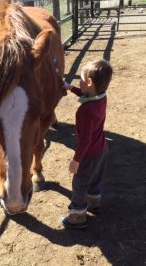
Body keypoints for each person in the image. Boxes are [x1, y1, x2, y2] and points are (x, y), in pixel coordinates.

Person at [62, 59, 113, 229]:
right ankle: (94, 203)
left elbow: (84, 141)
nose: (79, 82)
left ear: (89, 82)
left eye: (81, 79)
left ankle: (78, 217)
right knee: (95, 179)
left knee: (79, 183)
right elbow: (87, 93)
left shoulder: (86, 111)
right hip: (102, 150)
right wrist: (71, 88)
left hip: (89, 154)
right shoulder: (101, 97)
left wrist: (76, 160)